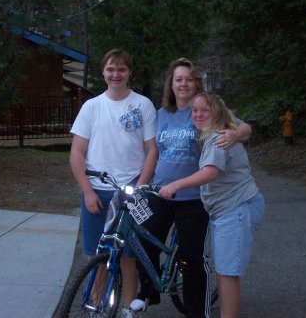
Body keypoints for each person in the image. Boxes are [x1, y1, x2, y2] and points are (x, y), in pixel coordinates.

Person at [131, 58, 252, 318]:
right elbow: (153, 154)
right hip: (161, 192)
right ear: (171, 85)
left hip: (193, 198)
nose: (183, 84)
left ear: (196, 83)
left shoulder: (203, 109)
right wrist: (141, 187)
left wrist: (234, 134)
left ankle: (197, 312)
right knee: (141, 235)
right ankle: (149, 291)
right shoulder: (161, 115)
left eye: (188, 79)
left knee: (191, 259)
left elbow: (245, 128)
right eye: (178, 79)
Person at [159, 93, 265, 318]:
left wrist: (175, 185)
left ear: (216, 113)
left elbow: (210, 172)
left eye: (204, 110)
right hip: (226, 209)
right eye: (194, 110)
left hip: (235, 207)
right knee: (225, 271)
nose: (198, 115)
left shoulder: (217, 137)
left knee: (227, 273)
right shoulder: (212, 135)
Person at [70, 48, 158, 318]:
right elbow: (76, 152)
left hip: (130, 191)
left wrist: (140, 189)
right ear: (103, 73)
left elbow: (151, 150)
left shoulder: (142, 104)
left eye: (121, 69)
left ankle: (127, 308)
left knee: (129, 256)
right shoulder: (92, 107)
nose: (116, 74)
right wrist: (87, 191)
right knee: (97, 256)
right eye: (110, 69)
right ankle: (95, 307)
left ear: (129, 72)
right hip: (98, 190)